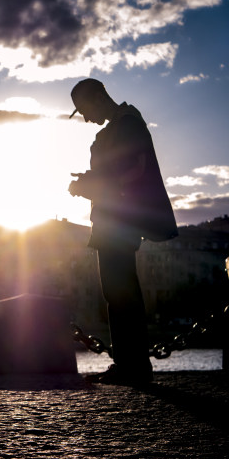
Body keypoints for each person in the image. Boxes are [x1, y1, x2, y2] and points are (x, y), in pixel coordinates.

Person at [68, 78, 177, 385]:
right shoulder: (114, 128)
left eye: (84, 110)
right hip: (111, 218)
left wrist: (88, 186)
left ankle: (134, 366)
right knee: (115, 291)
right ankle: (128, 363)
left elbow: (134, 171)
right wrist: (88, 180)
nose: (86, 118)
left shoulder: (127, 122)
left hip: (119, 220)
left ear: (98, 98)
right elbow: (118, 172)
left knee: (122, 291)